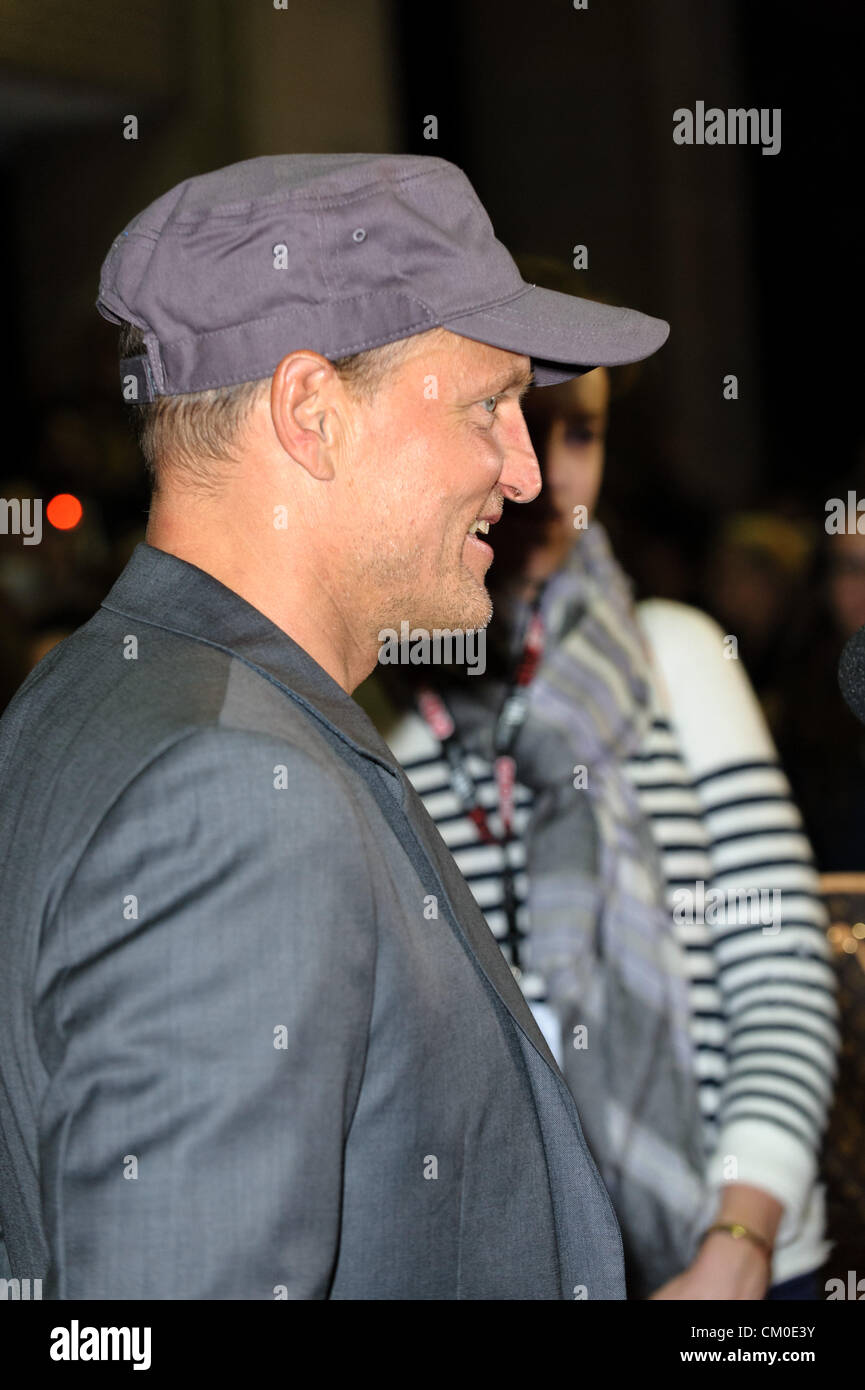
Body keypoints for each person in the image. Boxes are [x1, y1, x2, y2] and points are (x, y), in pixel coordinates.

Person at [0, 153, 673, 1300]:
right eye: (490, 404)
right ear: (313, 414)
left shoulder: (88, 701)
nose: (523, 473)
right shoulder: (233, 789)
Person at [375, 293, 839, 1299]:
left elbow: (781, 970)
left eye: (579, 430)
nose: (548, 469)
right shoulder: (393, 725)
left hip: (737, 1256)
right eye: (514, 419)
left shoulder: (673, 656)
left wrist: (738, 1239)